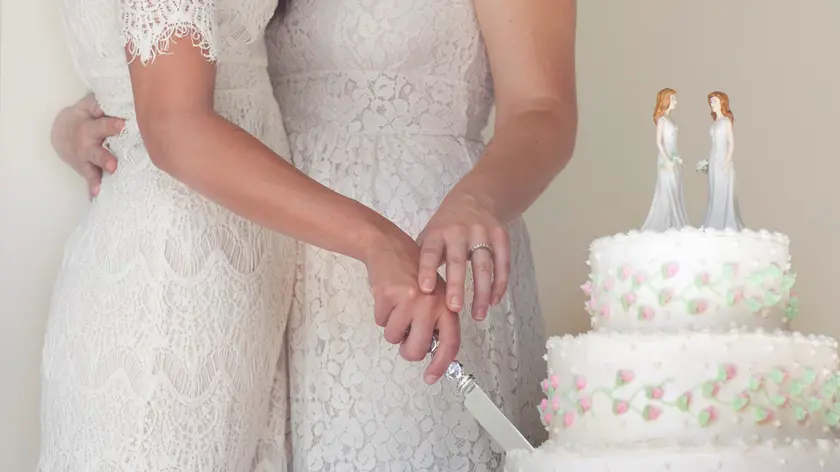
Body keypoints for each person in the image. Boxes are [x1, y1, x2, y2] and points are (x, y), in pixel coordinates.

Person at [46, 0, 578, 470]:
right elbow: (193, 72)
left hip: (424, 261)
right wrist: (87, 119)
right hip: (254, 274)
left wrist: (477, 201)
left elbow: (543, 107)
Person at [641, 88, 691, 231]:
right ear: (666, 100)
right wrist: (667, 159)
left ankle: (673, 222)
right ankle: (666, 222)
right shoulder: (662, 120)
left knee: (675, 187)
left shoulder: (670, 119)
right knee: (667, 187)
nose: (676, 102)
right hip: (665, 158)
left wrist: (676, 159)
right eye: (673, 99)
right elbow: (659, 142)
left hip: (673, 156)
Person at [702, 91, 744, 230]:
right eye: (711, 102)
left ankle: (725, 222)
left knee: (722, 189)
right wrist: (708, 162)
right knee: (714, 190)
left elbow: (731, 142)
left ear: (722, 102)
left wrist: (727, 160)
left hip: (722, 158)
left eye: (714, 101)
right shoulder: (715, 122)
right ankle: (714, 220)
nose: (712, 104)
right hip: (713, 158)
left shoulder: (726, 121)